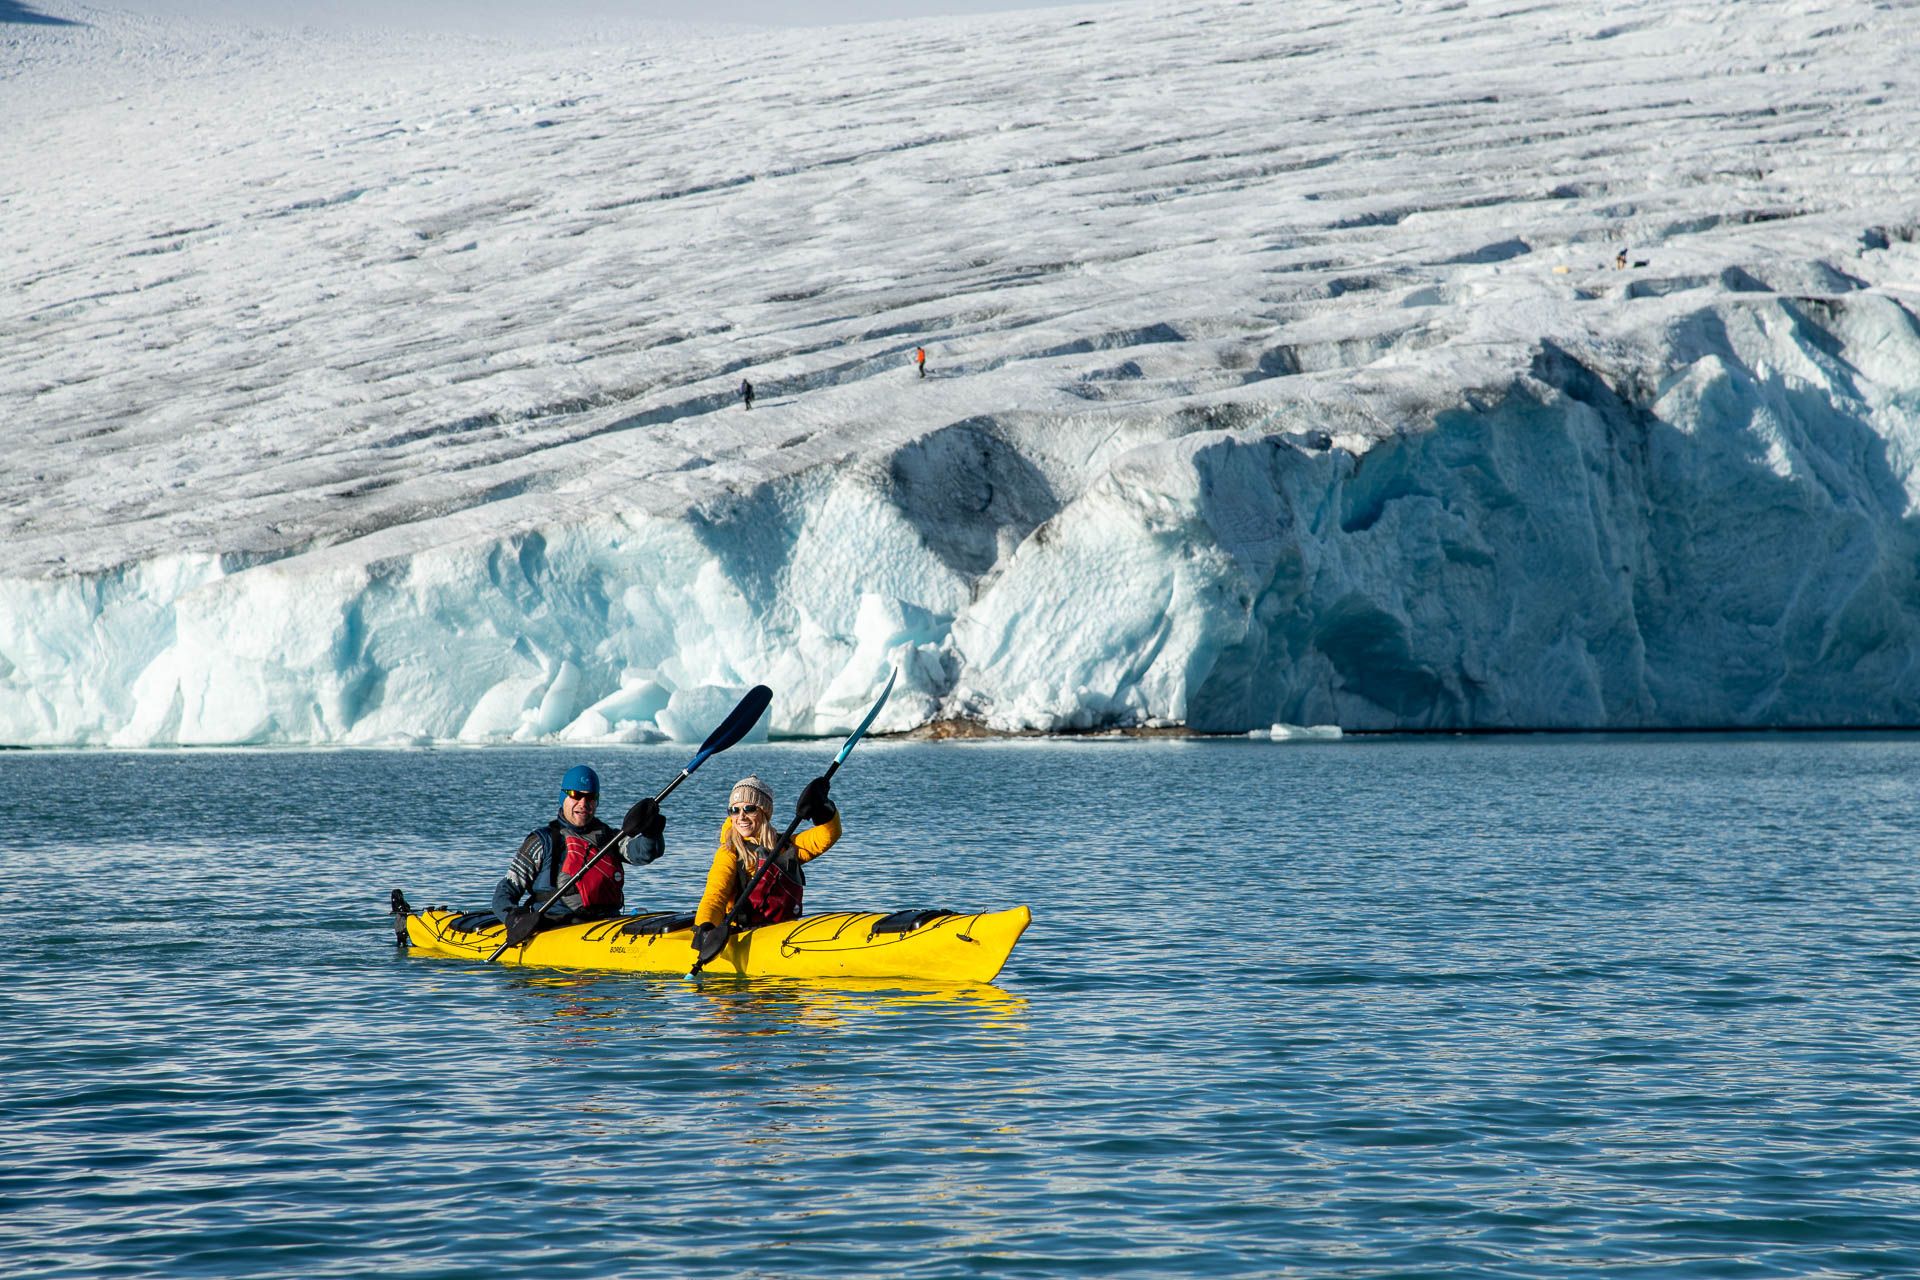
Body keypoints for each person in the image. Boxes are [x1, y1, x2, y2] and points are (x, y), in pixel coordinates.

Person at [491, 764, 666, 937]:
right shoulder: (542, 841)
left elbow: (643, 853)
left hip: (606, 925)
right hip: (557, 928)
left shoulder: (609, 838)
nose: (583, 803)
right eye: (576, 795)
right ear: (563, 797)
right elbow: (505, 891)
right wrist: (513, 919)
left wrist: (652, 833)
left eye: (590, 797)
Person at [691, 773, 838, 951]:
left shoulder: (785, 847)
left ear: (764, 812)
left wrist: (823, 807)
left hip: (785, 932)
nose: (741, 817)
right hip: (745, 935)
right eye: (734, 810)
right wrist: (705, 928)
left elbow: (827, 835)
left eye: (749, 809)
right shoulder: (729, 853)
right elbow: (715, 897)